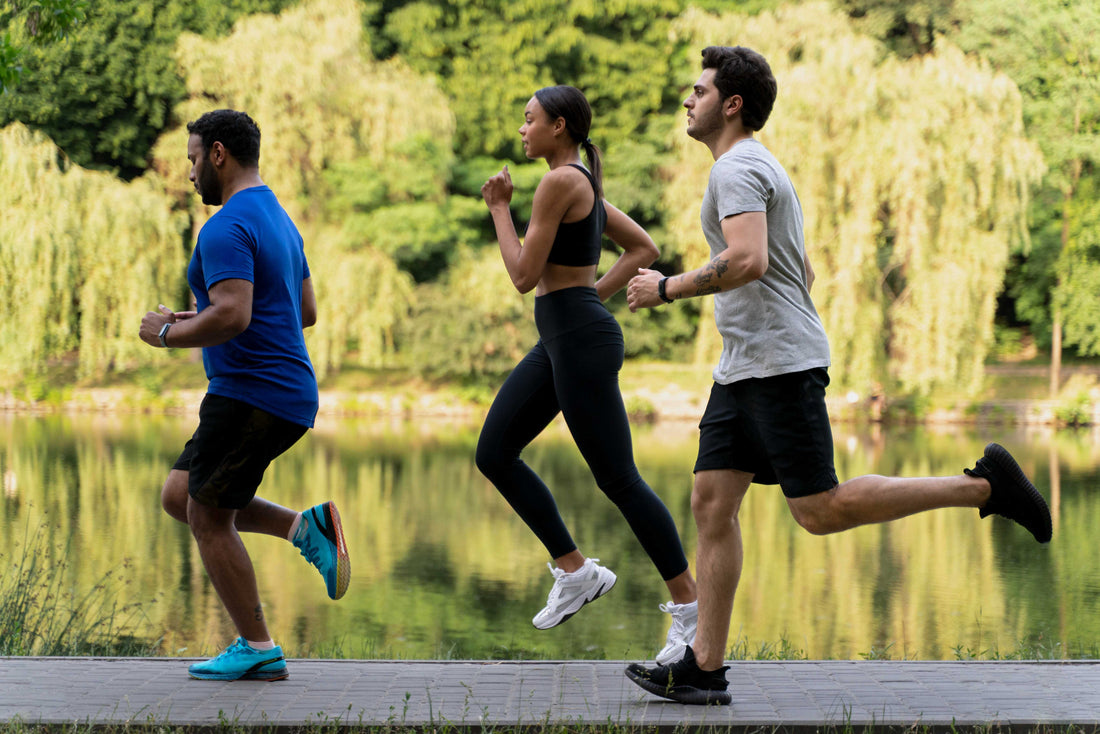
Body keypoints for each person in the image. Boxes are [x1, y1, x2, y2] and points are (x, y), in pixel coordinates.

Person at [622, 46, 1052, 706]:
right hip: (747, 365)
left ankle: (985, 488)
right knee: (712, 499)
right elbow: (803, 270)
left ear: (730, 105)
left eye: (700, 90)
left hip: (777, 364)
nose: (689, 99)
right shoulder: (755, 168)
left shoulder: (738, 168)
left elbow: (748, 260)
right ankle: (704, 665)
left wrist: (669, 287)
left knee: (818, 511)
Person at [477, 85, 699, 663]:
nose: (521, 130)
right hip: (565, 337)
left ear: (560, 127)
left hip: (576, 340)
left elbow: (524, 275)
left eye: (529, 120)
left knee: (619, 479)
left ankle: (691, 609)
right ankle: (575, 572)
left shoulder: (560, 181)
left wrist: (499, 208)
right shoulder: (583, 185)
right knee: (495, 451)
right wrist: (591, 298)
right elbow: (643, 248)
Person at [139, 109, 350, 681]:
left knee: (207, 518)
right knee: (179, 494)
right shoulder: (280, 220)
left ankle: (257, 646)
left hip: (251, 393)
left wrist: (165, 333)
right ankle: (303, 528)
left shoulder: (225, 225)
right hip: (280, 391)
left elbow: (234, 314)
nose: (188, 175)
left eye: (191, 160)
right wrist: (201, 315)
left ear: (217, 155)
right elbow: (302, 311)